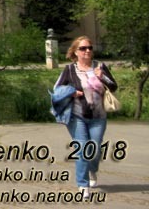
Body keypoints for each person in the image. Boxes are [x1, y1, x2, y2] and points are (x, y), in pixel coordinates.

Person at [53, 36, 118, 198]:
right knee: (82, 149)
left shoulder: (100, 66)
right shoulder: (69, 69)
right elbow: (57, 89)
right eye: (83, 48)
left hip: (98, 115)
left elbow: (113, 86)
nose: (87, 50)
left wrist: (102, 76)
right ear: (76, 52)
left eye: (89, 47)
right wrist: (72, 92)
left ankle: (92, 170)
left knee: (94, 148)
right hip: (77, 116)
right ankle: (83, 184)